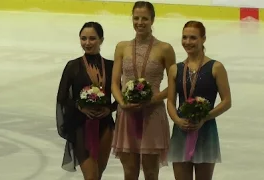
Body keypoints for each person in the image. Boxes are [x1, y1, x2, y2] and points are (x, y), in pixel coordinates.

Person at [111, 1, 176, 179]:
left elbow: (174, 85)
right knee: (130, 171)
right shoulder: (122, 47)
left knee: (150, 171)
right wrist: (123, 103)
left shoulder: (165, 49)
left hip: (153, 113)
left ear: (152, 20)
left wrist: (153, 99)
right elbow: (114, 83)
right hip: (127, 113)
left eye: (144, 18)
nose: (140, 22)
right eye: (136, 18)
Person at [166, 20, 232, 180]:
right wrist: (177, 120)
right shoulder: (176, 69)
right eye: (185, 37)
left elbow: (226, 101)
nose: (188, 42)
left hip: (206, 130)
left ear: (203, 39)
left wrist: (205, 117)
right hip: (181, 130)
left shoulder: (216, 67)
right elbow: (170, 102)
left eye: (193, 38)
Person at [56, 22, 117, 180]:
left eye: (92, 38)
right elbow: (62, 97)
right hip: (80, 125)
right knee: (91, 177)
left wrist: (109, 109)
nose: (87, 43)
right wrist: (80, 107)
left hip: (105, 126)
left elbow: (120, 95)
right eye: (83, 39)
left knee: (97, 176)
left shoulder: (111, 66)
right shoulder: (73, 66)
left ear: (101, 40)